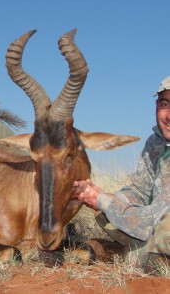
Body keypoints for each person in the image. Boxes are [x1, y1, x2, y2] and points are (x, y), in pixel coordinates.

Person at [73, 76, 170, 271]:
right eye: (165, 103)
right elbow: (139, 191)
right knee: (111, 213)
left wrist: (102, 201)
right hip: (154, 224)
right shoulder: (155, 142)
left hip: (159, 222)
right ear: (156, 105)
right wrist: (104, 196)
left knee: (164, 230)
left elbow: (154, 219)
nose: (168, 115)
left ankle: (126, 256)